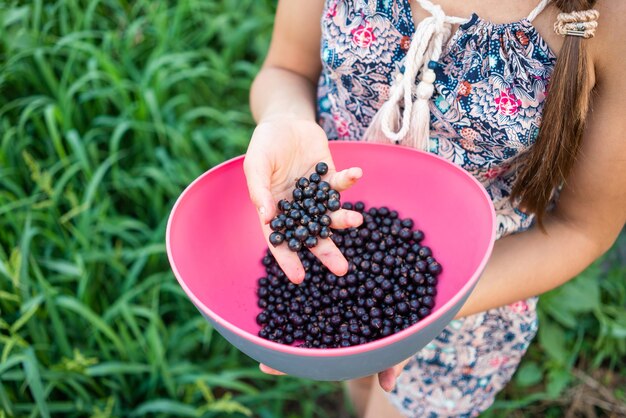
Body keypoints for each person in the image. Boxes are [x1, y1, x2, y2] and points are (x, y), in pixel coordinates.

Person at [242, 0, 625, 416]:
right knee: (356, 387)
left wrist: (427, 309)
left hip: (473, 296)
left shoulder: (611, 18)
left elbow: (582, 228)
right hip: (328, 247)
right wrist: (286, 119)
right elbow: (286, 70)